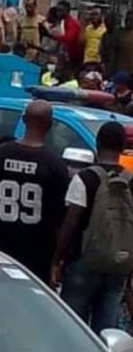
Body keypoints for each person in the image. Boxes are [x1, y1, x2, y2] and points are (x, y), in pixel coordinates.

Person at [0, 101, 69, 282]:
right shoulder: (55, 165)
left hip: (3, 249)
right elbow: (61, 221)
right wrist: (57, 261)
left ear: (23, 120)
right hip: (39, 256)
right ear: (50, 124)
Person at [51, 122, 133, 333]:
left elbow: (71, 221)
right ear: (123, 146)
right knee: (107, 329)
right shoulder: (130, 180)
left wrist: (57, 260)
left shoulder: (85, 178)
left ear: (97, 144)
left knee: (73, 329)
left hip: (83, 261)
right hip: (118, 264)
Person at [47, 0, 84, 73]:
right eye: (57, 10)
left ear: (67, 11)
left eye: (60, 11)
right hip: (65, 57)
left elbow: (68, 39)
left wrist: (53, 36)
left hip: (73, 58)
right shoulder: (61, 22)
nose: (58, 13)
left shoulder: (71, 23)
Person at [16, 0, 44, 64]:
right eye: (27, 6)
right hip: (22, 51)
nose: (28, 9)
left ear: (35, 6)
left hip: (34, 52)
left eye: (30, 6)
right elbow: (18, 35)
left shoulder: (41, 20)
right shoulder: (21, 19)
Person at [101, 11, 122, 79]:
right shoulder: (104, 36)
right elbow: (102, 52)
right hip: (107, 66)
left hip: (118, 66)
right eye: (106, 23)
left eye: (109, 23)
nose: (107, 25)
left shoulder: (119, 34)